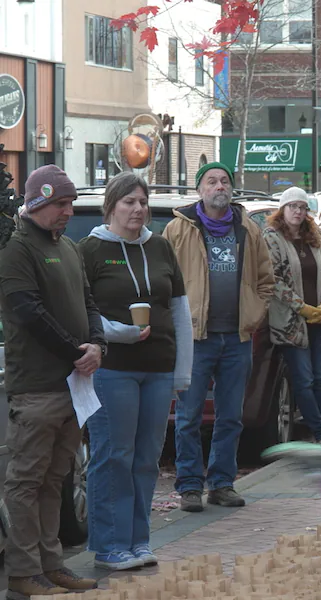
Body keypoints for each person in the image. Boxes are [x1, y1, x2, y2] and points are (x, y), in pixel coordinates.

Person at [78, 172, 192, 571]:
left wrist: (183, 371)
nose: (138, 209)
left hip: (159, 368)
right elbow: (81, 315)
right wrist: (118, 334)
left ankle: (139, 541)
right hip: (112, 369)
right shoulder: (89, 250)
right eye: (129, 202)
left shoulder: (160, 248)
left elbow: (180, 311)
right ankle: (109, 545)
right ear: (111, 206)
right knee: (114, 455)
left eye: (142, 202)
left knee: (147, 458)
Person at [0, 165, 103, 595]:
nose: (68, 211)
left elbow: (89, 301)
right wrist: (75, 352)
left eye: (70, 203)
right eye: (61, 204)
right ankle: (24, 573)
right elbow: (28, 312)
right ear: (38, 203)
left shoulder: (69, 248)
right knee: (25, 482)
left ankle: (50, 563)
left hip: (72, 386)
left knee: (55, 479)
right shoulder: (18, 250)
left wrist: (97, 342)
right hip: (38, 387)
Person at [164, 162, 275, 512]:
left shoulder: (247, 229)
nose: (219, 186)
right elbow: (163, 280)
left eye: (224, 181)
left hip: (236, 339)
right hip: (196, 338)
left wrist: (254, 316)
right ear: (200, 190)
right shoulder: (177, 230)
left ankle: (222, 483)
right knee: (188, 416)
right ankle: (190, 487)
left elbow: (265, 280)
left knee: (230, 416)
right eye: (211, 181)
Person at [263, 187, 321, 449]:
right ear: (282, 209)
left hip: (318, 321)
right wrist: (302, 307)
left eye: (302, 207)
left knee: (320, 378)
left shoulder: (314, 238)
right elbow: (274, 281)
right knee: (304, 380)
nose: (298, 211)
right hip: (291, 323)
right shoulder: (272, 238)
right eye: (293, 206)